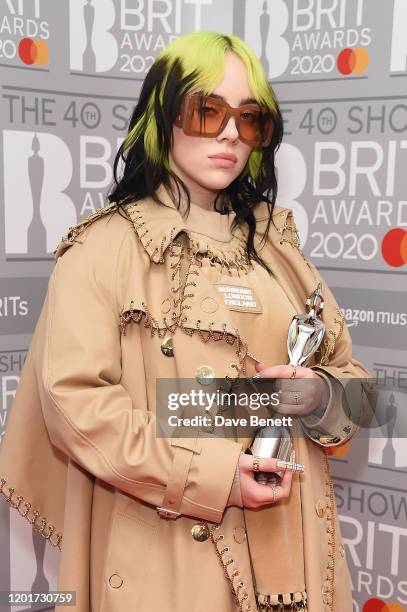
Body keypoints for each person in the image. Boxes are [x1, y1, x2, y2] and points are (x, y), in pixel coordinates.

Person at [0, 32, 376, 612]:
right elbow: (73, 404)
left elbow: (357, 388)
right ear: (163, 115)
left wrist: (317, 394)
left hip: (290, 545)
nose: (230, 132)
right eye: (208, 110)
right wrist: (217, 474)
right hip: (168, 550)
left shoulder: (278, 247)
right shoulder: (105, 247)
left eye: (250, 119)